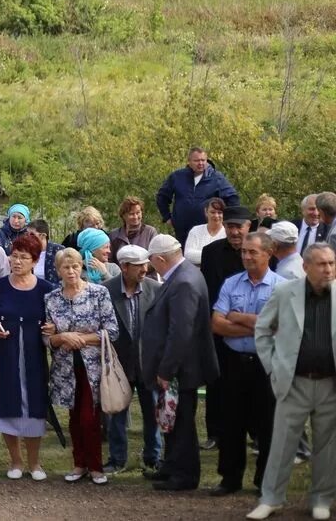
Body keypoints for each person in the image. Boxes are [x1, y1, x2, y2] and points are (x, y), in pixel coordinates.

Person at [249, 243, 336, 521]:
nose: (329, 269)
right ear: (306, 267)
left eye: (332, 263)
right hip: (293, 382)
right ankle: (271, 499)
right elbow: (262, 329)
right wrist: (273, 368)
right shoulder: (285, 292)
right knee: (282, 444)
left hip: (330, 385)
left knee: (327, 445)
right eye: (322, 264)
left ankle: (321, 499)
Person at [142, 234, 220, 492]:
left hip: (181, 368)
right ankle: (172, 466)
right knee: (172, 419)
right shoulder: (183, 274)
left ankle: (185, 474)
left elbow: (181, 331)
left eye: (152, 261)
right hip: (178, 366)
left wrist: (166, 369)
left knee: (182, 421)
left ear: (161, 258)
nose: (151, 266)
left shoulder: (184, 281)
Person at [0, 234, 55, 481]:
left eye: (24, 257)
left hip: (33, 357)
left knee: (34, 407)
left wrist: (53, 329)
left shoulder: (46, 289)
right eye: (14, 255)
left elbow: (56, 323)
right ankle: (15, 460)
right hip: (2, 356)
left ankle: (35, 462)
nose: (17, 261)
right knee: (7, 405)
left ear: (35, 261)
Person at [211, 229, 283, 497]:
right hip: (234, 362)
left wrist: (239, 318)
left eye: (253, 252)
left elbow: (279, 327)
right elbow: (217, 323)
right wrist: (259, 325)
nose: (247, 256)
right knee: (231, 422)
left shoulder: (282, 287)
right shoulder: (231, 283)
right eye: (244, 251)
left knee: (267, 425)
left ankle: (265, 481)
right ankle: (230, 478)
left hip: (267, 364)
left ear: (268, 253)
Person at [42, 248, 120, 485]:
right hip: (65, 368)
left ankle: (96, 467)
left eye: (75, 266)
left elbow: (113, 331)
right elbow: (48, 338)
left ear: (81, 267)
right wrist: (64, 337)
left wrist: (81, 339)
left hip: (94, 366)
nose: (71, 271)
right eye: (66, 267)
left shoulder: (99, 293)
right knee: (74, 418)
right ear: (58, 271)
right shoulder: (51, 299)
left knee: (89, 417)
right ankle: (79, 465)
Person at [103, 245, 162, 475]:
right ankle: (117, 459)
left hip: (149, 364)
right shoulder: (106, 291)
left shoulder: (156, 289)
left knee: (153, 414)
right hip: (119, 365)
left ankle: (153, 457)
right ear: (124, 267)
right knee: (116, 415)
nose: (145, 270)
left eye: (146, 265)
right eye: (140, 266)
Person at [201, 203, 253, 450]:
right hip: (219, 323)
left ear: (248, 227)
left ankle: (253, 430)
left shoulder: (259, 251)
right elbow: (210, 289)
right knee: (217, 380)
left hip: (250, 327)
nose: (234, 232)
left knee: (251, 382)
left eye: (238, 227)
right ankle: (216, 432)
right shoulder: (211, 252)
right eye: (230, 227)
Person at [156, 146, 241, 244]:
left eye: (203, 160)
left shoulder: (216, 178)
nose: (200, 163)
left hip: (207, 230)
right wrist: (167, 217)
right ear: (189, 161)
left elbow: (232, 198)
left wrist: (226, 220)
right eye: (196, 160)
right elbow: (162, 197)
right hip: (182, 230)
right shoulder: (177, 177)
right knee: (185, 257)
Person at [184, 198, 227, 267]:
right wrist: (215, 255)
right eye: (213, 212)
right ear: (206, 212)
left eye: (219, 212)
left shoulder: (227, 233)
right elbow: (188, 255)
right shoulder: (195, 230)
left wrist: (200, 256)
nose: (216, 216)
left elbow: (226, 257)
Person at [28, 219, 65, 285]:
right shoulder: (27, 251)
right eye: (26, 234)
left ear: (43, 236)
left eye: (31, 234)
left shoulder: (58, 250)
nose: (27, 237)